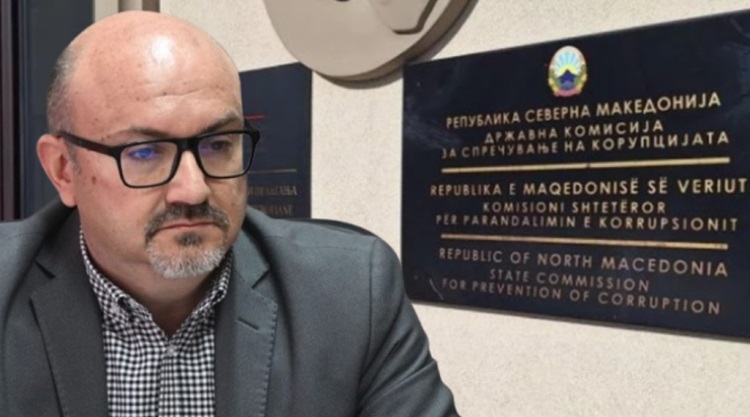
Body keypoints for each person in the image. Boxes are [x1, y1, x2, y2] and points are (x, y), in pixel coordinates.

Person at [0, 10, 459, 417]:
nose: (193, 188)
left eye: (218, 145)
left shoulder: (351, 294)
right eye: (144, 152)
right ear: (63, 170)